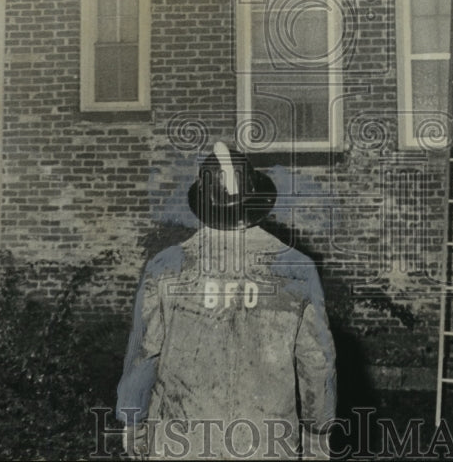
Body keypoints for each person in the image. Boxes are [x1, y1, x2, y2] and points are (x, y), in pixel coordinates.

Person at [116, 142, 336, 460]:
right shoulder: (296, 266)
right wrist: (317, 434)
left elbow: (144, 355)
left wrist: (133, 422)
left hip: (183, 443)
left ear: (202, 203)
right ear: (255, 200)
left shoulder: (167, 266)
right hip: (267, 444)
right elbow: (317, 362)